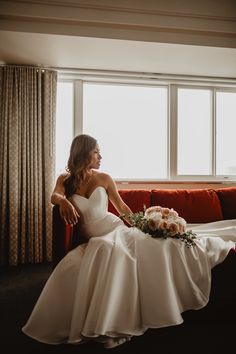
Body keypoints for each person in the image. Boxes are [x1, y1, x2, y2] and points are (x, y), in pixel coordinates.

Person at [22, 134, 236, 349]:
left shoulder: (104, 177)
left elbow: (122, 208)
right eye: (96, 151)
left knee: (151, 246)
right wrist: (63, 203)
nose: (100, 156)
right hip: (96, 237)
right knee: (102, 249)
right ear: (84, 152)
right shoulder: (65, 180)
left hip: (114, 228)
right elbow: (54, 196)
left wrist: (140, 225)